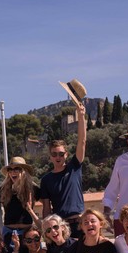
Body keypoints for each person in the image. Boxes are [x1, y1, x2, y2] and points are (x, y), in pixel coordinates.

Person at [40, 98, 87, 238]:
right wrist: (47, 232)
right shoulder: (46, 180)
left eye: (61, 153)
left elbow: (82, 141)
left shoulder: (74, 167)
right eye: (54, 154)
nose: (57, 156)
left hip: (79, 222)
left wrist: (81, 115)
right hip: (60, 227)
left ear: (66, 154)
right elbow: (46, 209)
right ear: (50, 157)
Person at [0, 157, 41, 253]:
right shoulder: (3, 189)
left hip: (27, 234)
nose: (12, 172)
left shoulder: (33, 188)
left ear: (23, 171)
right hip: (9, 233)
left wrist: (31, 211)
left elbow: (47, 205)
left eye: (16, 169)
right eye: (10, 169)